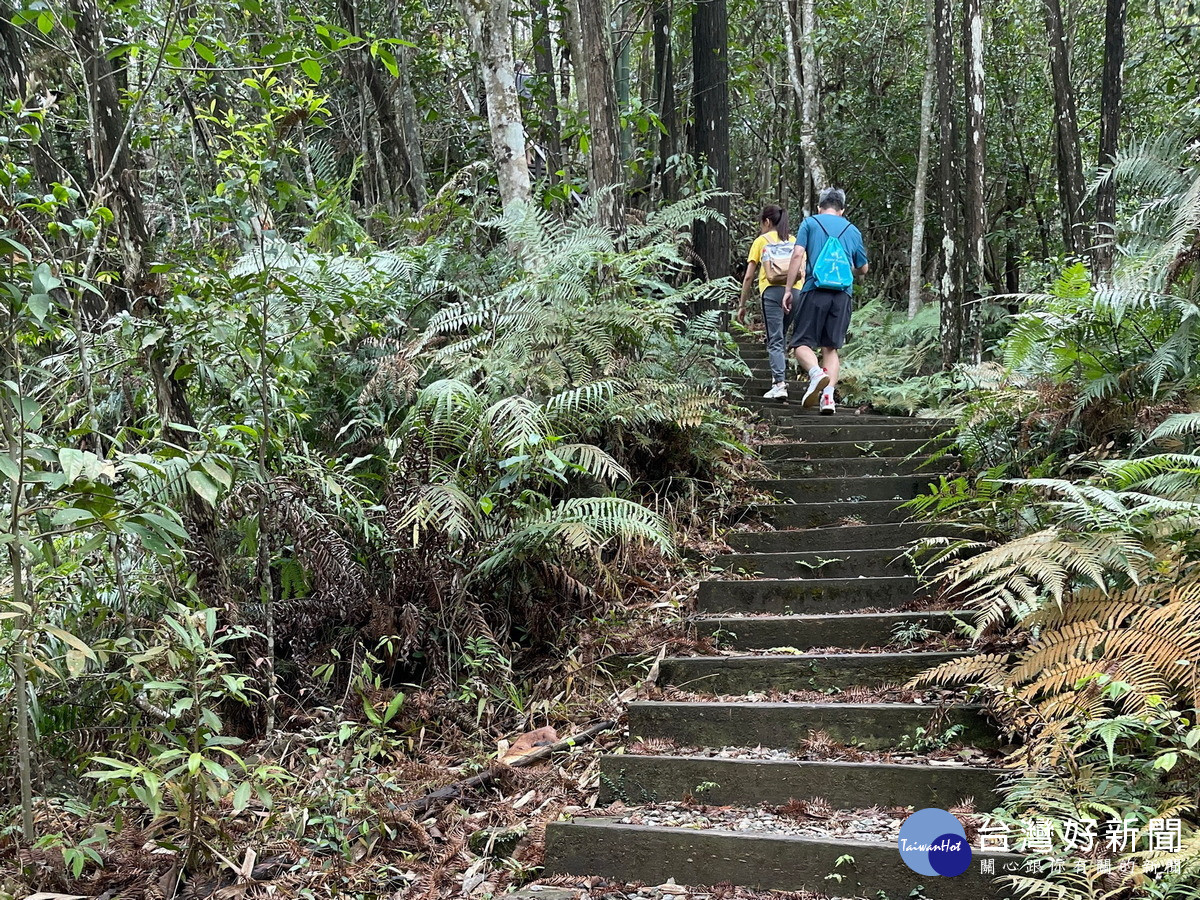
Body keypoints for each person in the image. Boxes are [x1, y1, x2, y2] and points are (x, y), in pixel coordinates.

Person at [784, 187, 869, 415]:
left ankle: (815, 373)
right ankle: (828, 397)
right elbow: (863, 268)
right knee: (830, 347)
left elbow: (797, 254)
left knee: (800, 343)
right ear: (842, 209)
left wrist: (789, 289)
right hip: (842, 294)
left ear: (820, 207)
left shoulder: (810, 223)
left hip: (815, 289)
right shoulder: (853, 230)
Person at [737, 204, 802, 400]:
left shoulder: (761, 241)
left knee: (775, 338)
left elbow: (748, 277)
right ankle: (780, 378)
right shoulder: (794, 241)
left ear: (766, 222)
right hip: (796, 292)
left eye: (761, 223)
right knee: (780, 335)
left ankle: (779, 384)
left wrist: (742, 304)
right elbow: (803, 269)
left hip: (772, 292)